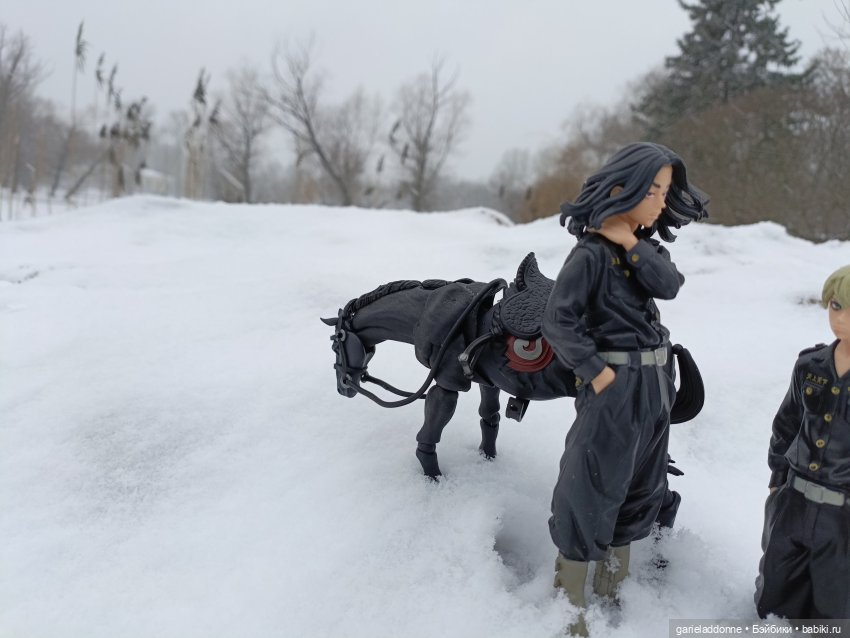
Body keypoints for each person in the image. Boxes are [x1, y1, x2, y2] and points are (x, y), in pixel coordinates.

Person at [541, 142, 708, 635]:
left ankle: (613, 592)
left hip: (656, 383)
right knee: (590, 484)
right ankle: (570, 606)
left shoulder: (643, 250)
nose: (660, 202)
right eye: (652, 190)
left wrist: (630, 243)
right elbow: (558, 319)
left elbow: (669, 284)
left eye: (664, 191)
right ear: (622, 189)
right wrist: (595, 371)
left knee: (642, 484)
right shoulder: (589, 256)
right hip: (615, 383)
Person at [755, 265, 850, 624]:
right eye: (836, 306)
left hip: (842, 514)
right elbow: (787, 423)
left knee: (834, 602)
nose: (840, 318)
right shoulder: (810, 364)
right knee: (774, 589)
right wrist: (777, 480)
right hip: (793, 500)